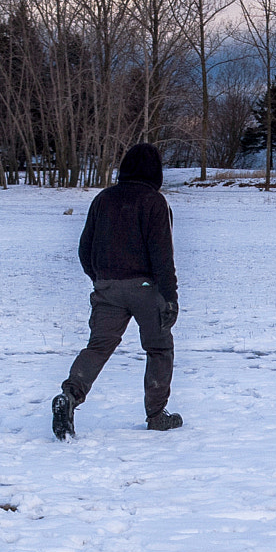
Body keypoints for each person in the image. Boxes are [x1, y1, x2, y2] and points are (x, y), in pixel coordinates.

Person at [52, 142, 182, 439]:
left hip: (107, 286)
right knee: (159, 348)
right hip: (146, 289)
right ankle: (156, 415)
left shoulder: (103, 199)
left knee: (98, 347)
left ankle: (69, 396)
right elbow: (162, 254)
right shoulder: (154, 202)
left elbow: (85, 248)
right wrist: (170, 296)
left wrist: (100, 278)